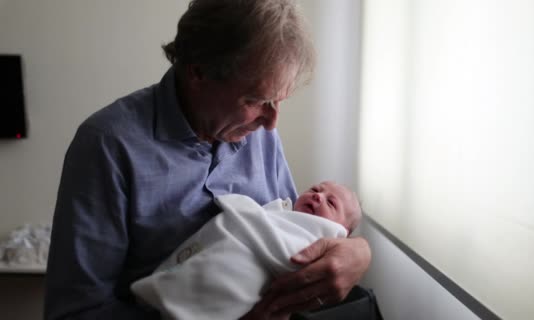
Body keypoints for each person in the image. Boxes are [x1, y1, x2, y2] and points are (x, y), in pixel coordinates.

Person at [44, 1, 371, 319]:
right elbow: (75, 312)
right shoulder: (108, 145)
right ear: (198, 72)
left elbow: (293, 234)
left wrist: (356, 251)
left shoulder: (259, 134)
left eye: (279, 100)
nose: (272, 123)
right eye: (256, 100)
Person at [131, 181, 362, 320]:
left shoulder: (312, 238)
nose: (317, 195)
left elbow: (294, 263)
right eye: (315, 189)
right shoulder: (282, 214)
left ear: (339, 232)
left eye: (331, 203)